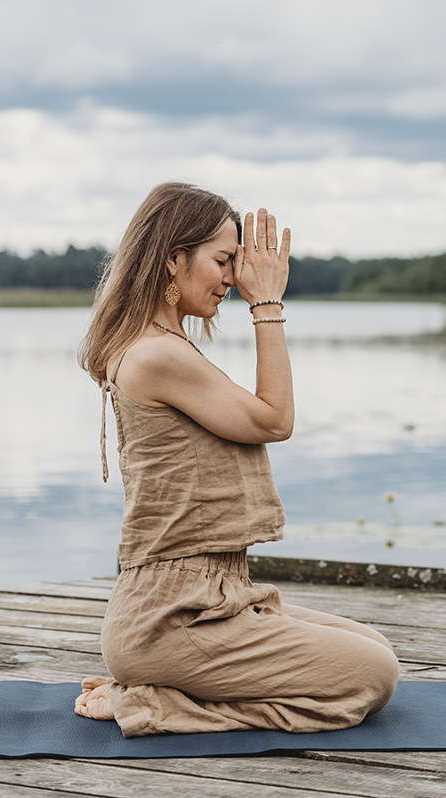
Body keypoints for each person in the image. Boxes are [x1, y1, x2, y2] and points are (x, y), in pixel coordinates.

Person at [74, 182, 399, 737]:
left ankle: (158, 687)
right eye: (223, 261)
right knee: (374, 676)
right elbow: (275, 421)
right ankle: (156, 703)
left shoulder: (161, 344)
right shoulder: (156, 355)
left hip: (215, 596)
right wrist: (267, 304)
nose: (232, 278)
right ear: (174, 260)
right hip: (171, 616)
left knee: (372, 646)